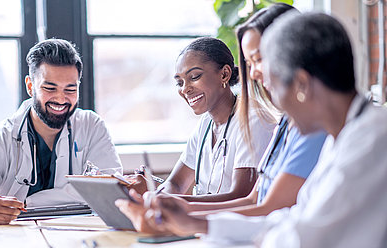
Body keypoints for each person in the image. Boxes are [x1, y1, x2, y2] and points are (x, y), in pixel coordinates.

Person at [128, 12, 387, 247]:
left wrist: (194, 219)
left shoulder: (370, 142)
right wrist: (196, 223)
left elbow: (302, 236)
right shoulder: (342, 136)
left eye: (274, 85)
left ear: (301, 85)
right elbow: (291, 218)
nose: (275, 105)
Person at [117, 3, 326, 227]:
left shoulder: (300, 126)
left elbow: (262, 205)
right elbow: (254, 199)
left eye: (259, 60)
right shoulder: (288, 123)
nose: (254, 73)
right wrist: (172, 204)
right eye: (179, 82)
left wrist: (189, 217)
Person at [0, 38, 122, 225]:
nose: (61, 99)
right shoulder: (2, 138)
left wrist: (28, 203)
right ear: (30, 86)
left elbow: (111, 192)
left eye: (70, 89)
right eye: (49, 88)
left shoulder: (91, 126)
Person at [132, 37, 275, 203]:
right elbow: (176, 184)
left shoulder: (254, 120)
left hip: (235, 226)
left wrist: (176, 203)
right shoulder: (206, 124)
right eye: (179, 82)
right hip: (203, 223)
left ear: (224, 74)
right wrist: (154, 194)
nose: (185, 89)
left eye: (194, 76)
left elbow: (241, 196)